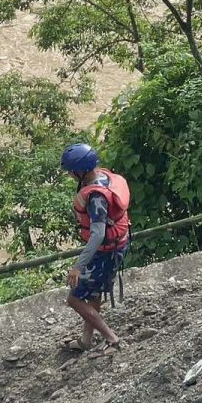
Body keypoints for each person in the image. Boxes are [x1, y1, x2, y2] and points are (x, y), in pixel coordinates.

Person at [60, 142, 129, 354]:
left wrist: (78, 266)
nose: (70, 175)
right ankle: (86, 340)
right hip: (117, 245)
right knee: (93, 294)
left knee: (74, 299)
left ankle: (112, 339)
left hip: (105, 251)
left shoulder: (96, 198)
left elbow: (98, 234)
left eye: (72, 171)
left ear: (80, 171)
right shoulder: (103, 178)